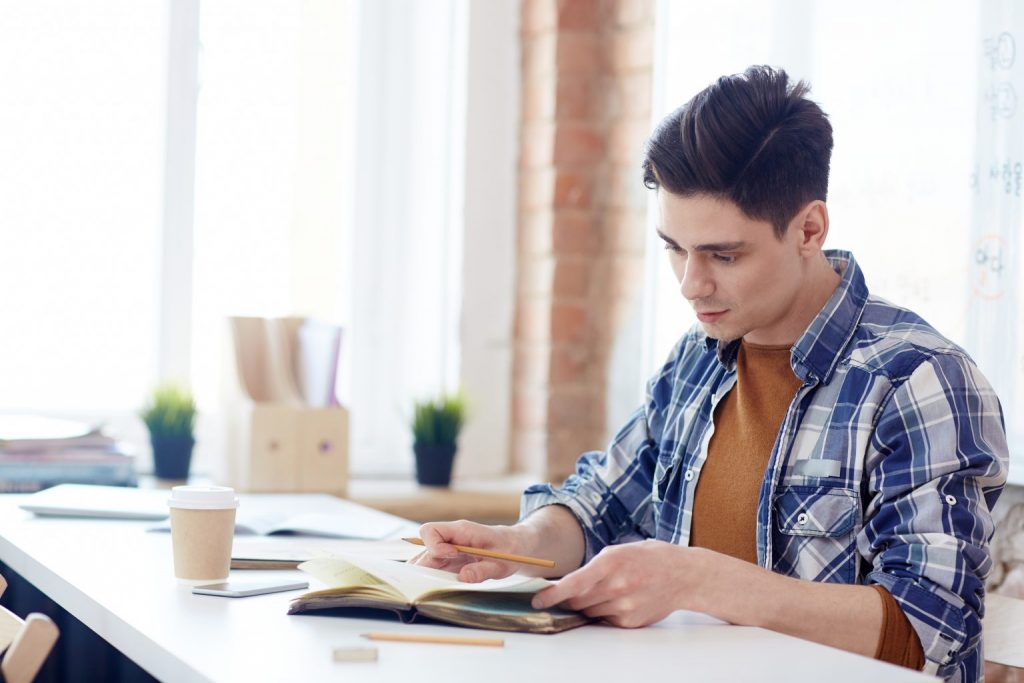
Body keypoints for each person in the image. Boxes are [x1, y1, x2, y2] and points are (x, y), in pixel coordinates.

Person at [412, 65, 1008, 682]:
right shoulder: (699, 358)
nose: (692, 285)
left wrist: (698, 579)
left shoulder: (918, 380)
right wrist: (521, 544)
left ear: (809, 229)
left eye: (724, 255)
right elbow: (602, 506)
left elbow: (930, 629)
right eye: (674, 248)